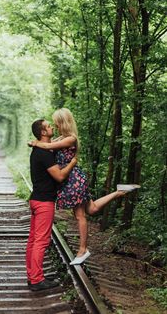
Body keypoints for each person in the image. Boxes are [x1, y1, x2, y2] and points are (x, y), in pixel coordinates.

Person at [29, 108, 140, 265]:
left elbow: (47, 147)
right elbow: (49, 145)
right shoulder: (61, 137)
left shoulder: (70, 139)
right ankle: (119, 191)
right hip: (72, 179)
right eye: (52, 124)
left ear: (62, 122)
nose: (54, 126)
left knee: (80, 215)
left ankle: (83, 249)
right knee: (92, 208)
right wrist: (39, 143)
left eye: (56, 123)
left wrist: (35, 142)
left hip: (73, 180)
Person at [26, 119, 77, 291]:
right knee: (41, 241)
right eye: (48, 126)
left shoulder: (39, 149)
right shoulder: (44, 153)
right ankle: (36, 280)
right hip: (44, 202)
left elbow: (56, 143)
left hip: (36, 200)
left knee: (33, 241)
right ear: (43, 133)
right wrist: (72, 163)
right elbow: (60, 176)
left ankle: (33, 275)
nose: (52, 127)